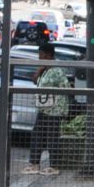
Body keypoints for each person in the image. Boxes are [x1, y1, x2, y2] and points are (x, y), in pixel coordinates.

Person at [29, 41, 72, 175]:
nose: (40, 59)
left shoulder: (57, 70)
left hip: (55, 109)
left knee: (52, 137)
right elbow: (35, 81)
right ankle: (34, 163)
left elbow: (65, 88)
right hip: (44, 108)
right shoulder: (45, 70)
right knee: (37, 135)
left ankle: (54, 165)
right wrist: (39, 70)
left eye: (41, 56)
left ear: (48, 56)